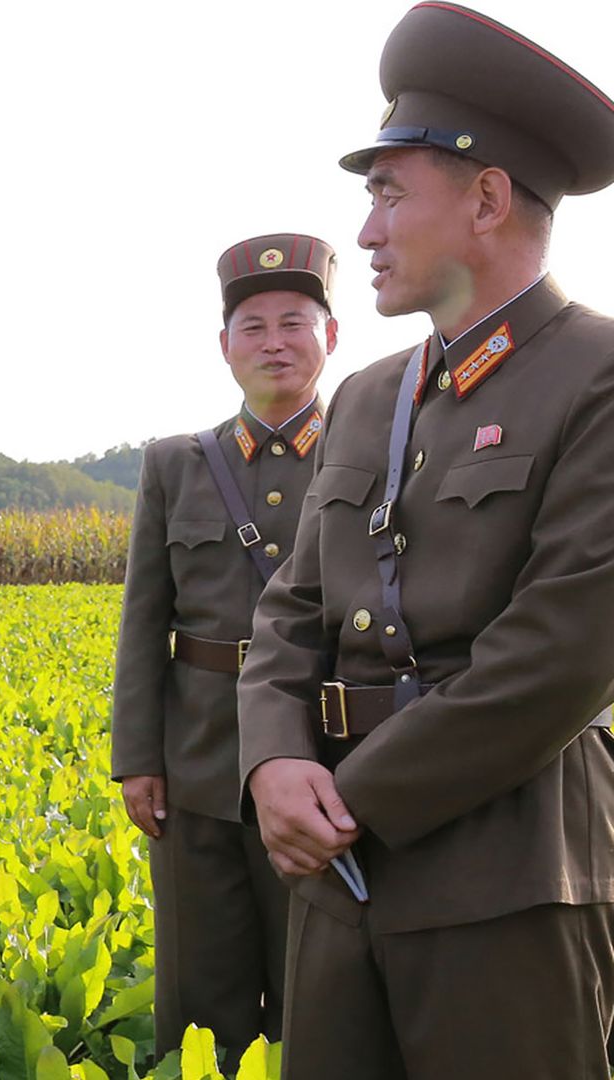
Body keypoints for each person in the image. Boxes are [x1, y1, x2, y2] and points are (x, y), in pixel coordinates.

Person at [237, 5, 614, 1077]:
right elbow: (290, 612)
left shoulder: (596, 378)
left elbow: (564, 654)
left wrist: (347, 800)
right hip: (335, 881)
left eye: (389, 194)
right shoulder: (365, 398)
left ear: (487, 196)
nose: (364, 233)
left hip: (508, 879)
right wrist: (272, 760)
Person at [111, 233, 336, 1066]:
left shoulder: (370, 456)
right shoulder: (176, 464)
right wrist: (138, 758)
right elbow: (144, 622)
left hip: (324, 758)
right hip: (197, 758)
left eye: (294, 322)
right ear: (225, 347)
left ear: (330, 337)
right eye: (253, 327)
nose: (274, 341)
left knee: (320, 981)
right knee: (200, 992)